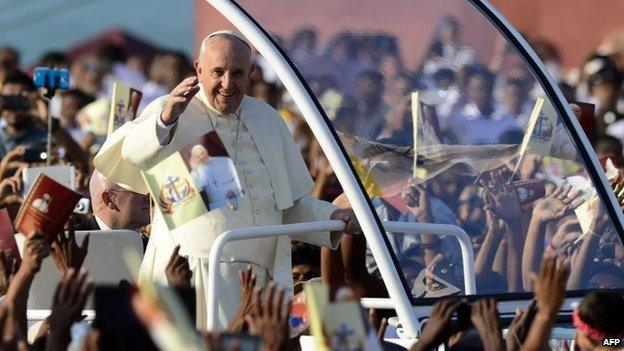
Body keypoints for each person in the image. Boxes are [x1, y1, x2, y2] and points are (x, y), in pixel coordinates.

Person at [94, 30, 361, 328]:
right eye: (217, 72)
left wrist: (333, 216)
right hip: (192, 273)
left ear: (251, 74)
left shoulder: (268, 119)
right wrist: (166, 120)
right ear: (198, 69)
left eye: (237, 74)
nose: (227, 83)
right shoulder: (171, 110)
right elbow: (133, 154)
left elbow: (288, 206)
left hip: (258, 279)